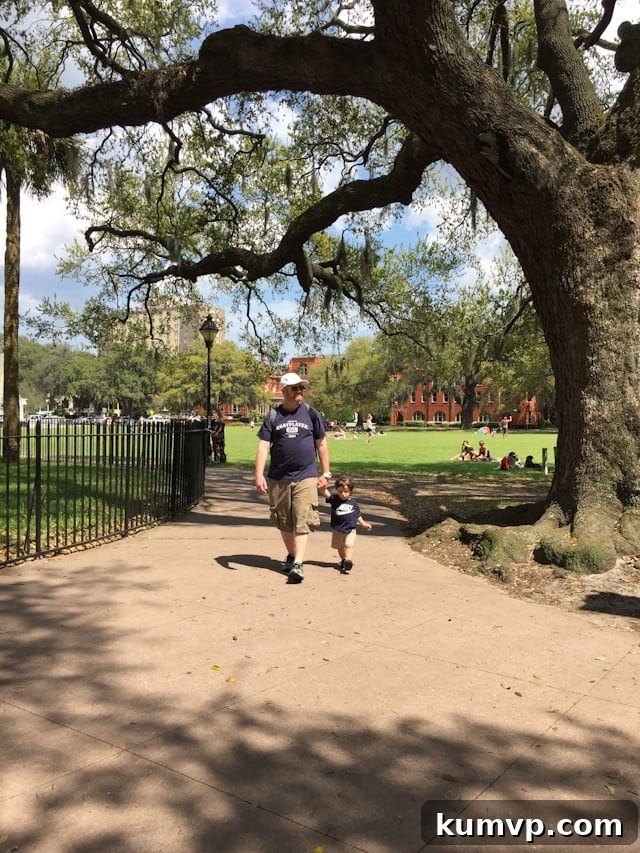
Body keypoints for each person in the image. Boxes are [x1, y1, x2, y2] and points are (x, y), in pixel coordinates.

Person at [255, 372, 331, 584]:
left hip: (306, 475)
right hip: (278, 477)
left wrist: (326, 472)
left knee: (302, 517)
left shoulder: (310, 413)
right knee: (284, 521)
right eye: (295, 388)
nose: (300, 392)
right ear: (284, 390)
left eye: (302, 388)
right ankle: (291, 554)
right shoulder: (272, 416)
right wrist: (259, 474)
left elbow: (322, 443)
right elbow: (263, 446)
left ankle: (298, 562)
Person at [321, 474, 373, 574]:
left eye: (346, 492)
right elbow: (325, 493)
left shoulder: (353, 503)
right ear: (337, 490)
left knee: (348, 544)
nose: (343, 494)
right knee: (340, 547)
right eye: (340, 492)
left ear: (351, 491)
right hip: (337, 530)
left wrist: (363, 524)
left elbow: (357, 515)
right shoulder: (334, 499)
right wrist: (322, 488)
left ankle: (348, 560)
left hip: (350, 529)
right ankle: (344, 560)